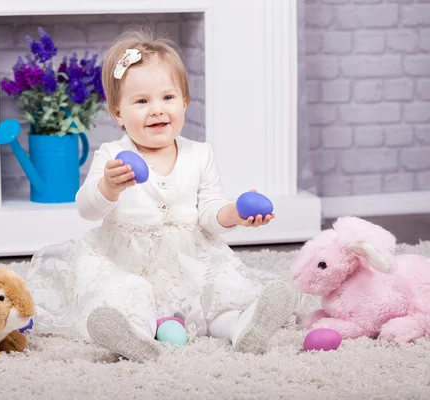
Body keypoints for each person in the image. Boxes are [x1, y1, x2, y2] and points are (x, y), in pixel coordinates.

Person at [26, 28, 294, 362]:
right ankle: (132, 335)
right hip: (129, 261)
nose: (157, 109)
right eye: (141, 101)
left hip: (188, 258)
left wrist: (235, 213)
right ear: (117, 113)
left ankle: (242, 327)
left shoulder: (200, 154)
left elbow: (210, 214)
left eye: (168, 98)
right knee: (125, 295)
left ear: (185, 101)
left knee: (214, 297)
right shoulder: (113, 155)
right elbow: (86, 210)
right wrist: (108, 188)